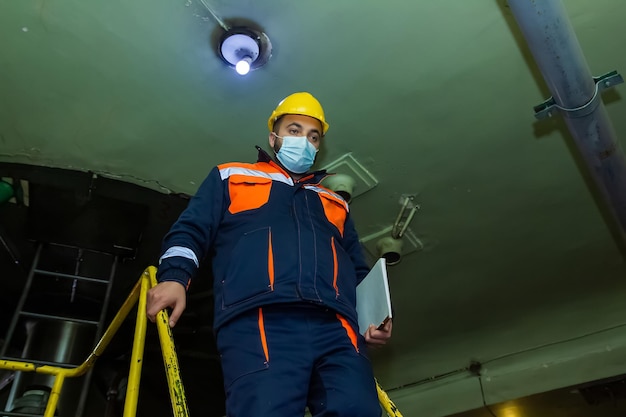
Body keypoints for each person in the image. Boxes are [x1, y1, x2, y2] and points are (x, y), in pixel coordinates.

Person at [146, 92, 393, 417]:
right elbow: (191, 230)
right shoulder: (231, 176)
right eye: (294, 130)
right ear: (273, 136)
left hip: (337, 326)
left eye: (313, 136)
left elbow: (357, 270)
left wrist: (373, 317)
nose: (304, 141)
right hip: (260, 316)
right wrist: (175, 278)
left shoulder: (335, 203)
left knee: (357, 409)